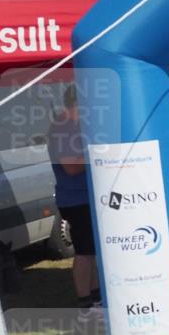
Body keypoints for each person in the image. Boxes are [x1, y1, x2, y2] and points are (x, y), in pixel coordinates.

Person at [47, 85, 100, 318]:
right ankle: (85, 305)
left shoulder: (73, 126)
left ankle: (96, 299)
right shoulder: (64, 127)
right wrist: (96, 153)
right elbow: (70, 166)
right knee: (85, 252)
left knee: (92, 251)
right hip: (76, 199)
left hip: (84, 197)